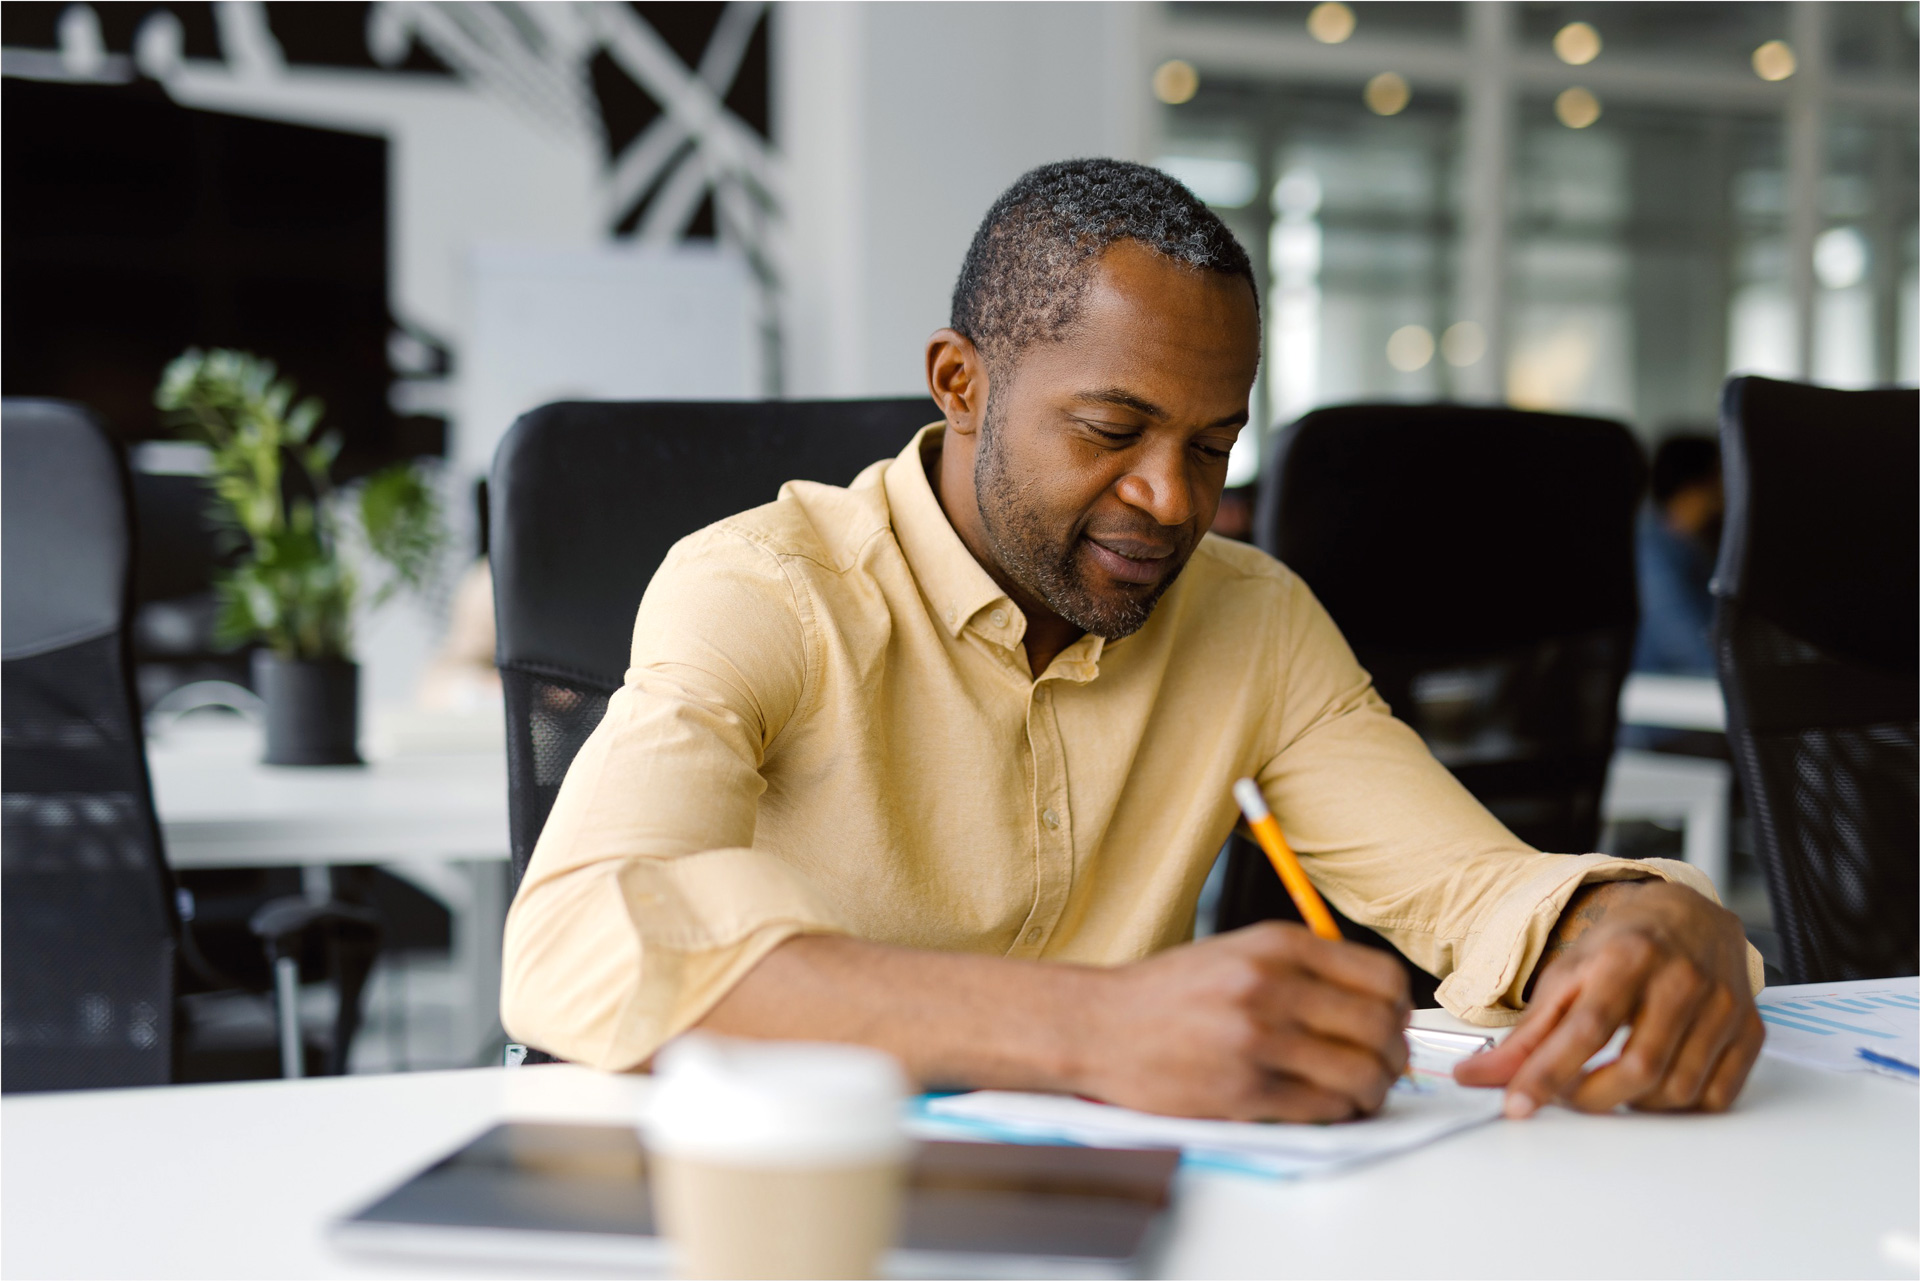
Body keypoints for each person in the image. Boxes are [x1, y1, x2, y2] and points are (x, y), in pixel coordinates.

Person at [502, 160, 1762, 1123]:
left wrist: (1633, 914)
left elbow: (1471, 889)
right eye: (1113, 429)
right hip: (808, 1203)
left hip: (1137, 1214)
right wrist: (1094, 1027)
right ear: (961, 383)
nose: (1174, 499)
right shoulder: (764, 588)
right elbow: (574, 945)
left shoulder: (1252, 616)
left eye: (1213, 445)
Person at [1633, 434, 1724, 677]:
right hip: (1664, 700)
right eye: (1720, 472)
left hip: (1692, 691)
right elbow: (1684, 647)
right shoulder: (1651, 552)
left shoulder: (1693, 546)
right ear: (1695, 483)